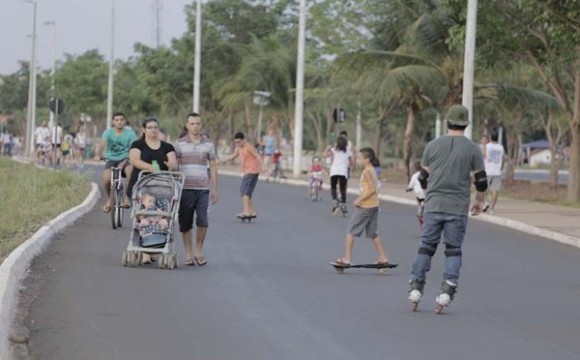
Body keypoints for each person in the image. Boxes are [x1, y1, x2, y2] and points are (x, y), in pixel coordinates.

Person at [408, 105, 487, 313]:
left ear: (447, 122)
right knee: (453, 250)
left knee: (426, 246)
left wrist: (428, 194)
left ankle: (416, 287)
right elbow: (481, 181)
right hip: (458, 207)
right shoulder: (472, 149)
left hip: (434, 205)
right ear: (466, 124)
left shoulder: (432, 145)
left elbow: (423, 178)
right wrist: (480, 201)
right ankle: (446, 292)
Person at [175, 113, 218, 266]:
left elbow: (213, 166)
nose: (195, 126)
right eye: (192, 124)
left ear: (201, 125)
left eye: (198, 123)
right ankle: (188, 253)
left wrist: (214, 189)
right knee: (185, 222)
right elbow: (175, 166)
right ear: (187, 125)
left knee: (203, 220)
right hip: (185, 189)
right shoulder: (179, 144)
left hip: (203, 190)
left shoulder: (209, 144)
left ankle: (198, 250)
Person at [335, 147, 390, 266]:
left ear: (367, 159)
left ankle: (347, 259)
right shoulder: (372, 170)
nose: (358, 160)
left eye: (360, 158)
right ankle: (383, 257)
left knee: (351, 231)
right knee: (372, 233)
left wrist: (358, 200)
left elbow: (371, 190)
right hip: (374, 205)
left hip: (366, 206)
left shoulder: (367, 171)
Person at [94, 112, 138, 213]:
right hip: (111, 159)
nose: (119, 122)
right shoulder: (108, 132)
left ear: (124, 121)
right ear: (113, 121)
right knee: (106, 179)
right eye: (117, 120)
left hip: (125, 159)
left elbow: (134, 146)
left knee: (130, 172)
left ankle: (126, 197)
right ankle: (110, 199)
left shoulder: (130, 133)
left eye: (121, 120)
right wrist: (97, 154)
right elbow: (101, 145)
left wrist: (132, 156)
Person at [219, 131, 261, 219]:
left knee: (244, 192)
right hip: (249, 171)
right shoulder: (238, 148)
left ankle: (246, 212)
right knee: (247, 193)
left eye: (239, 142)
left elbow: (257, 155)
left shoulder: (248, 146)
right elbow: (232, 156)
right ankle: (252, 211)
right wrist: (221, 160)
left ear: (243, 140)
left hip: (252, 171)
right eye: (236, 142)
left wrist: (264, 166)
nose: (238, 144)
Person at [324, 136, 353, 215]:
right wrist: (350, 165)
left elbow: (325, 155)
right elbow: (351, 162)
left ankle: (334, 200)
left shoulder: (333, 150)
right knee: (342, 189)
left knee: (333, 187)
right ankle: (343, 205)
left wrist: (327, 148)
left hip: (334, 171)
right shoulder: (347, 151)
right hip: (343, 171)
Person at [482, 130, 505, 214]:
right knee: (495, 190)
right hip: (497, 171)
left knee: (484, 188)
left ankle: (485, 203)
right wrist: (501, 168)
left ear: (490, 137)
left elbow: (483, 156)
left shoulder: (487, 146)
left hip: (487, 171)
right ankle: (492, 208)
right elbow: (503, 159)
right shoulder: (501, 147)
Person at [406, 161, 427, 227]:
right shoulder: (425, 174)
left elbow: (411, 185)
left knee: (418, 200)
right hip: (425, 192)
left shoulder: (414, 176)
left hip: (418, 193)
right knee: (426, 200)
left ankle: (419, 210)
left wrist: (408, 188)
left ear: (415, 168)